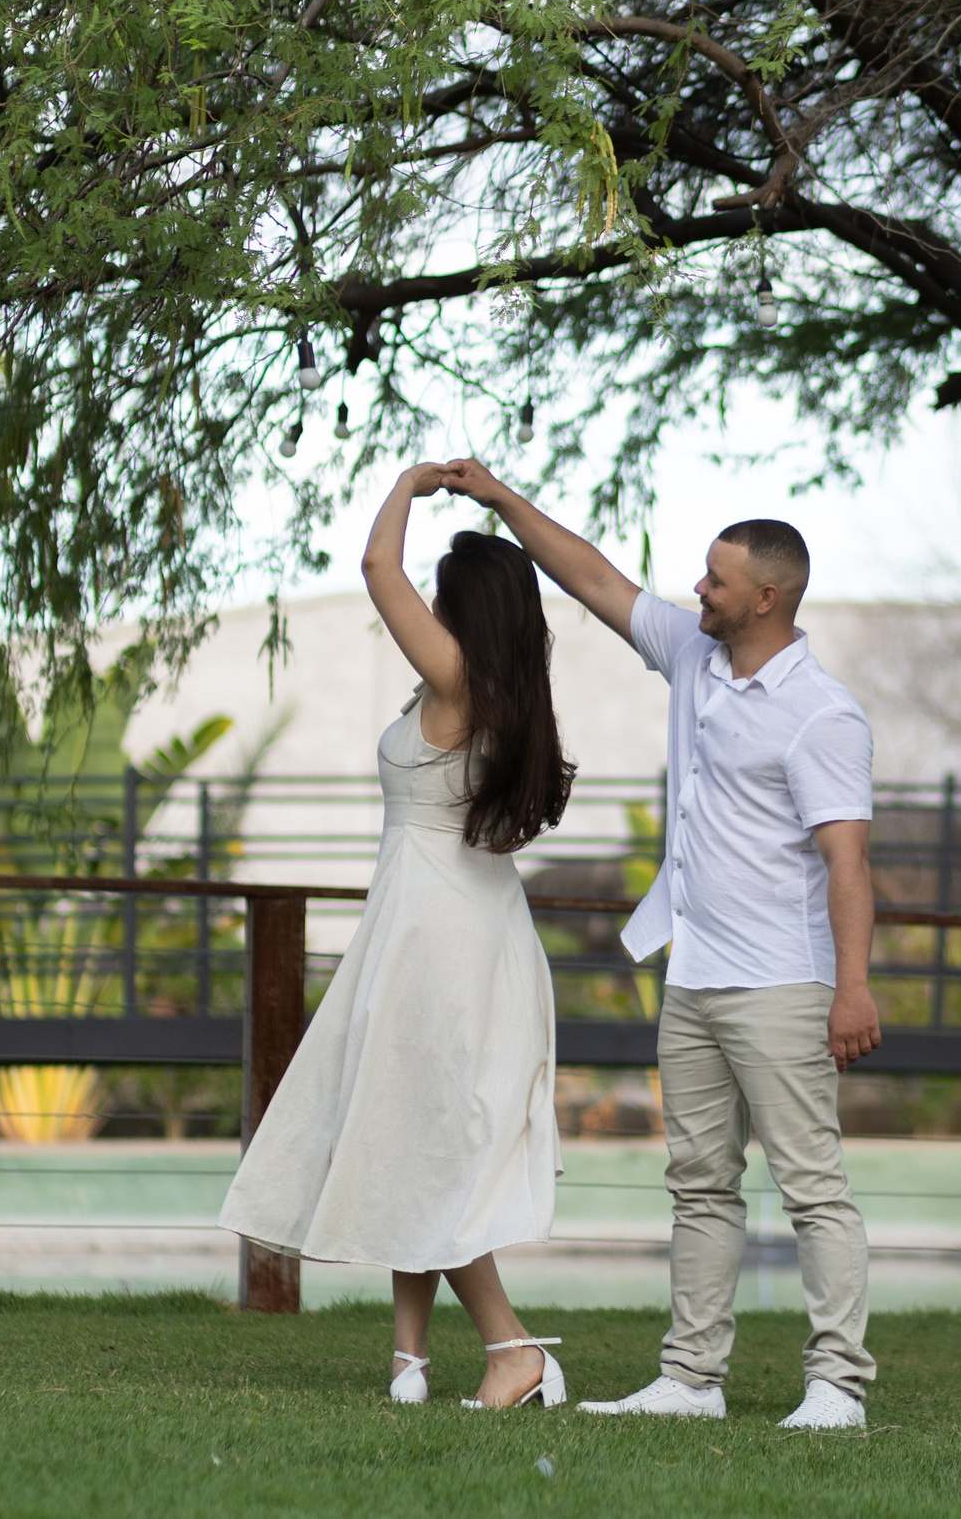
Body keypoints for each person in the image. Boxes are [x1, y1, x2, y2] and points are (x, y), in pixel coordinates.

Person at [442, 458, 881, 1432]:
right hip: (696, 975)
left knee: (812, 1187)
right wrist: (504, 503)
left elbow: (848, 864)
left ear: (764, 598)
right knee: (698, 1184)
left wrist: (853, 989)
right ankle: (690, 1379)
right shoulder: (693, 654)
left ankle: (839, 1387)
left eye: (717, 581)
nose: (699, 590)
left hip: (783, 983)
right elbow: (593, 578)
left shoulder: (822, 714)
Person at [219, 462, 577, 1411]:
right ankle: (408, 1359)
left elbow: (379, 565)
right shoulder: (510, 692)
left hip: (435, 937)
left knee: (424, 1142)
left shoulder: (456, 675)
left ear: (461, 612)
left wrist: (413, 485)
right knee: (407, 1129)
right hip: (460, 924)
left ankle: (513, 1348)